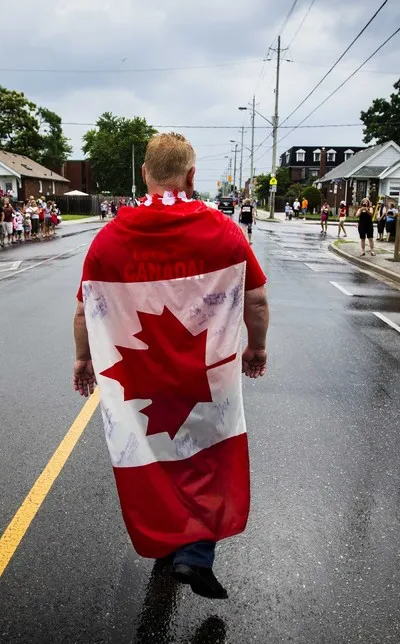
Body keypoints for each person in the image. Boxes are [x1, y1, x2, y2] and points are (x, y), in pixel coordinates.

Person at [72, 132, 270, 600]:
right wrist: (256, 347)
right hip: (206, 374)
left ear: (144, 173)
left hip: (140, 379)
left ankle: (170, 543)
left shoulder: (110, 237)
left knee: (156, 458)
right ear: (192, 174)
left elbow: (85, 309)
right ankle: (196, 553)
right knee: (207, 460)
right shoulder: (222, 230)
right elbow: (256, 300)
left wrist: (83, 358)